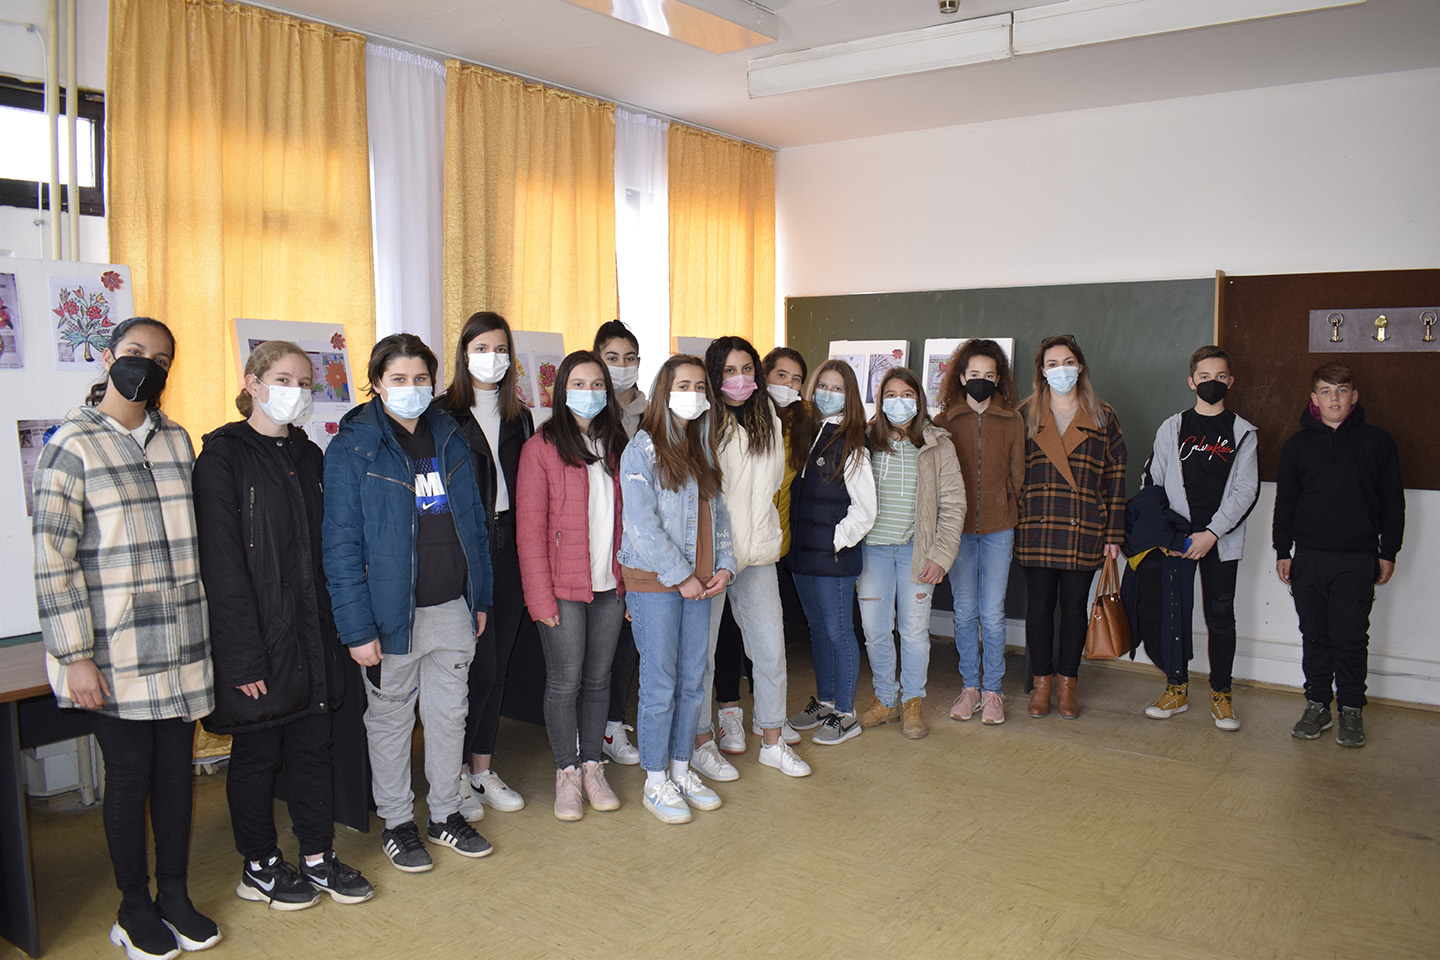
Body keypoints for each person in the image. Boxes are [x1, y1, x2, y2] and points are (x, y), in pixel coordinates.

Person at [32, 317, 221, 960]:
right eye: (135, 352)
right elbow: (52, 560)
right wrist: (74, 655)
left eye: (160, 358)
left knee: (176, 775)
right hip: (113, 650)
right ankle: (133, 908)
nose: (147, 364)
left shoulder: (176, 439)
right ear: (108, 357)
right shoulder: (71, 444)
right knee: (129, 775)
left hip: (181, 641)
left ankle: (175, 896)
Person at [194, 341, 374, 911]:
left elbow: (327, 551)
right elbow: (222, 568)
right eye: (283, 379)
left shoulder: (310, 455)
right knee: (257, 756)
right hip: (257, 642)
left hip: (312, 636)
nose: (295, 390)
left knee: (313, 751)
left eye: (304, 382)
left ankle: (318, 856)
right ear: (252, 383)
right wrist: (243, 657)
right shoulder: (222, 458)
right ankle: (259, 866)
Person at [323, 333, 494, 872]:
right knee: (391, 723)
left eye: (421, 378)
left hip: (451, 606)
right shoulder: (353, 446)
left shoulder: (449, 435)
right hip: (389, 614)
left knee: (449, 717)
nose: (411, 388)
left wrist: (480, 596)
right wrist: (356, 628)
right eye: (398, 379)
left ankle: (445, 813)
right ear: (376, 383)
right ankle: (397, 822)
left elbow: (475, 525)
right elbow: (340, 544)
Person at [618, 355, 737, 824]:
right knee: (660, 682)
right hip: (657, 583)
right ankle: (655, 780)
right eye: (683, 385)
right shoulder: (642, 449)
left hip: (701, 584)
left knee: (693, 679)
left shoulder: (702, 447)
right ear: (664, 392)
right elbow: (641, 524)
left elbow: (719, 517)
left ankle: (682, 769)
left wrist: (724, 566)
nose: (693, 394)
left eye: (700, 386)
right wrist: (681, 575)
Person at [692, 337, 812, 779]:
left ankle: (773, 742)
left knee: (770, 651)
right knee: (702, 657)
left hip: (758, 553)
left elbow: (771, 487)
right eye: (729, 371)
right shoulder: (702, 422)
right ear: (714, 375)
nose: (739, 378)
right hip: (710, 557)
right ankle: (701, 742)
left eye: (746, 369)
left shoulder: (769, 422)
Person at [515, 351, 628, 820]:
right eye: (578, 384)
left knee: (599, 681)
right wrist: (539, 598)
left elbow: (628, 521)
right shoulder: (541, 447)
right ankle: (566, 772)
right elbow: (529, 531)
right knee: (565, 682)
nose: (589, 392)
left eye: (597, 383)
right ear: (561, 390)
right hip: (562, 588)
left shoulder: (617, 443)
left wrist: (628, 585)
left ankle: (591, 766)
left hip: (609, 585)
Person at [1274, 362, 1404, 748]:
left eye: (1342, 390)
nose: (1335, 399)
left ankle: (1350, 709)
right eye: (1326, 391)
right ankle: (1317, 704)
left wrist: (1388, 551)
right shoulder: (1297, 446)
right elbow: (1286, 503)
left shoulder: (1378, 443)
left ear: (1354, 396)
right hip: (1309, 559)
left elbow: (1392, 503)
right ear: (1314, 399)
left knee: (1349, 637)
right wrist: (1282, 550)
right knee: (1315, 636)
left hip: (1357, 559)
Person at [442, 311, 533, 818]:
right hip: (465, 549)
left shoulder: (520, 416)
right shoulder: (442, 414)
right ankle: (453, 774)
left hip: (512, 546)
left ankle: (481, 768)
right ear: (464, 354)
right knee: (466, 667)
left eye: (500, 349)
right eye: (481, 348)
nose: (492, 358)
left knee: (496, 666)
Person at [1140, 345, 1259, 730]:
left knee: (1221, 617)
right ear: (1191, 382)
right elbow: (1153, 482)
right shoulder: (1172, 427)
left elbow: (1246, 491)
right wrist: (1171, 533)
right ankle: (1176, 688)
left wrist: (1211, 534)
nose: (1212, 383)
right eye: (1204, 377)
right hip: (1177, 541)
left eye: (1220, 376)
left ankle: (1221, 694)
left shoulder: (1243, 432)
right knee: (1174, 615)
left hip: (1220, 542)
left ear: (1231, 381)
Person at [1015, 335, 1126, 720]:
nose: (1060, 369)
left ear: (1079, 366)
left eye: (1067, 362)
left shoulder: (1103, 415)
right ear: (1042, 371)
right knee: (1039, 609)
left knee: (1075, 609)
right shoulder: (1025, 414)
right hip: (1037, 525)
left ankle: (1067, 685)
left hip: (1085, 527)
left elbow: (1116, 476)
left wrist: (1114, 533)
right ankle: (1041, 684)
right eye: (1052, 363)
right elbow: (1012, 475)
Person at [856, 367, 964, 740]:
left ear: (919, 400)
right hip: (872, 552)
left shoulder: (938, 444)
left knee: (914, 631)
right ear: (879, 400)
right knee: (874, 630)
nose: (898, 402)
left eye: (906, 395)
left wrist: (941, 556)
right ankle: (886, 699)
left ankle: (912, 701)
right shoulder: (864, 439)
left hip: (916, 554)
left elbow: (953, 505)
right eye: (890, 395)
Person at [784, 359, 876, 745]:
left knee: (839, 631)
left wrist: (835, 541)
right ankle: (824, 702)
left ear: (849, 395)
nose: (828, 393)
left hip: (833, 557)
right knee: (818, 630)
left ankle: (845, 712)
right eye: (823, 385)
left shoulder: (853, 443)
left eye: (837, 388)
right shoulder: (804, 435)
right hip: (801, 556)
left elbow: (865, 509)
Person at [934, 339, 1025, 726]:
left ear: (999, 378)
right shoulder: (945, 422)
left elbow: (1018, 475)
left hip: (999, 528)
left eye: (990, 374)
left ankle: (993, 692)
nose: (982, 380)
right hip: (957, 531)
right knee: (965, 611)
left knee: (992, 612)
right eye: (975, 374)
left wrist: (1006, 505)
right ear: (961, 377)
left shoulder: (1012, 420)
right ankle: (970, 687)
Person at [594, 319, 645, 764]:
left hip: (642, 545)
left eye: (629, 358)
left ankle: (613, 726)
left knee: (629, 638)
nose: (621, 366)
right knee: (596, 645)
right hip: (597, 544)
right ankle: (589, 730)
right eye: (612, 358)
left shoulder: (654, 415)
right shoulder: (587, 414)